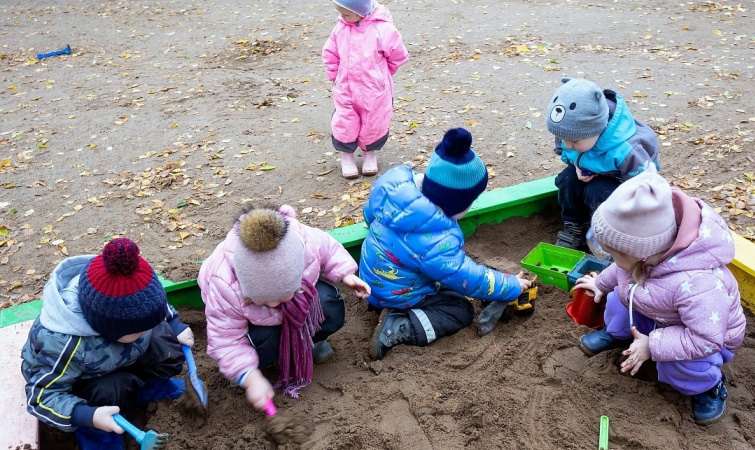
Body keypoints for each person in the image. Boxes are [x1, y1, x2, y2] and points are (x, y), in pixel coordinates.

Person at [571, 166, 746, 424]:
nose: (612, 260)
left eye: (615, 254)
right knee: (617, 298)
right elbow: (621, 272)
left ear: (641, 254)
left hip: (700, 337)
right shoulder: (642, 255)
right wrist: (602, 285)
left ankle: (707, 385)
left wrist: (652, 346)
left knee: (677, 364)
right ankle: (618, 336)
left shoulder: (700, 284)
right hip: (658, 311)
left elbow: (706, 339)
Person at [359, 127, 532, 360]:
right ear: (455, 204)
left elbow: (369, 215)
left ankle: (391, 306)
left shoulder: (395, 193)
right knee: (460, 309)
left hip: (371, 276)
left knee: (444, 278)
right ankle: (400, 324)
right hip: (398, 294)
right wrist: (510, 286)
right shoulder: (436, 239)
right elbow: (467, 278)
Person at [21, 238, 192, 450]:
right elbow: (40, 397)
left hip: (118, 352)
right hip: (82, 380)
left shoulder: (132, 294)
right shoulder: (62, 343)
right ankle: (98, 436)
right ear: (109, 327)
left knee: (163, 343)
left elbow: (155, 306)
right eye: (139, 329)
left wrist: (174, 325)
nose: (148, 329)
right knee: (109, 391)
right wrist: (88, 415)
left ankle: (146, 389)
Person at [198, 205, 370, 411]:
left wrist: (346, 274)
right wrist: (249, 377)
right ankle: (249, 367)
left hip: (294, 302)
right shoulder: (224, 285)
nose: (273, 305)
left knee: (328, 303)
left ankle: (307, 342)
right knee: (264, 338)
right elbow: (225, 340)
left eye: (281, 297)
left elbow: (328, 249)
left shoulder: (302, 241)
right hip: (251, 322)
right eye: (262, 300)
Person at [546, 77, 660, 250]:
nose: (567, 145)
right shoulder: (571, 131)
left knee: (597, 191)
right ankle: (574, 226)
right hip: (590, 170)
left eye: (574, 142)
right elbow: (568, 152)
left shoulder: (627, 150)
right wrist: (577, 166)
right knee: (567, 180)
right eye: (563, 139)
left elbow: (644, 187)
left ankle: (604, 232)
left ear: (597, 130)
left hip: (624, 181)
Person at [322, 0, 409, 178]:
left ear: (361, 11)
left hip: (374, 89)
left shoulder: (383, 29)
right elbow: (331, 52)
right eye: (341, 13)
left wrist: (382, 74)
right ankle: (346, 156)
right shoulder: (341, 28)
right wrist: (333, 74)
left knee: (374, 121)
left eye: (346, 14)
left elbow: (397, 54)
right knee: (345, 120)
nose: (342, 17)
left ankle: (370, 154)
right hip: (345, 87)